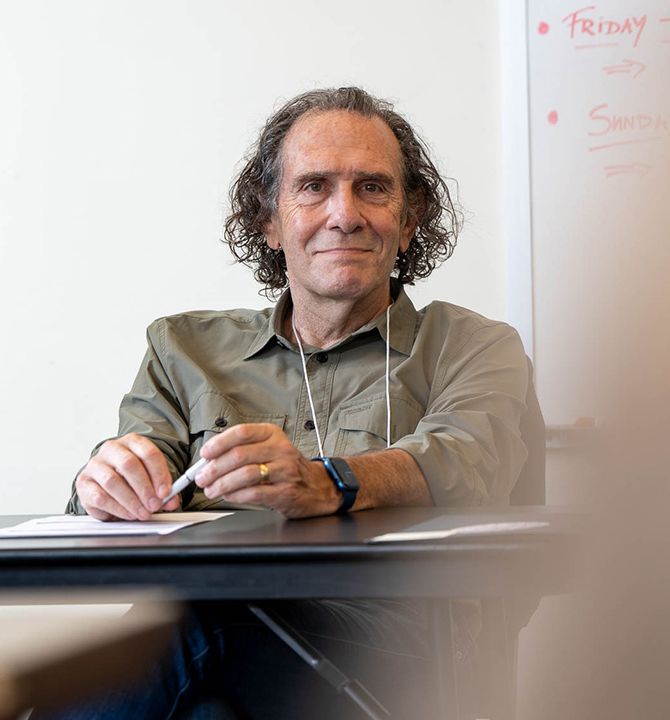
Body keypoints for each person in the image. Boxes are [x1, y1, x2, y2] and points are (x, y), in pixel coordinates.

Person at [52, 87, 529, 719]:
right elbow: (116, 493)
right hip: (219, 650)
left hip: (406, 656)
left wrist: (324, 482)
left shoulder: (473, 345)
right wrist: (108, 483)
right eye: (313, 187)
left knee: (198, 622)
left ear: (411, 220)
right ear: (269, 222)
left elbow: (466, 459)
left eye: (373, 188)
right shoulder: (182, 348)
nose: (345, 214)